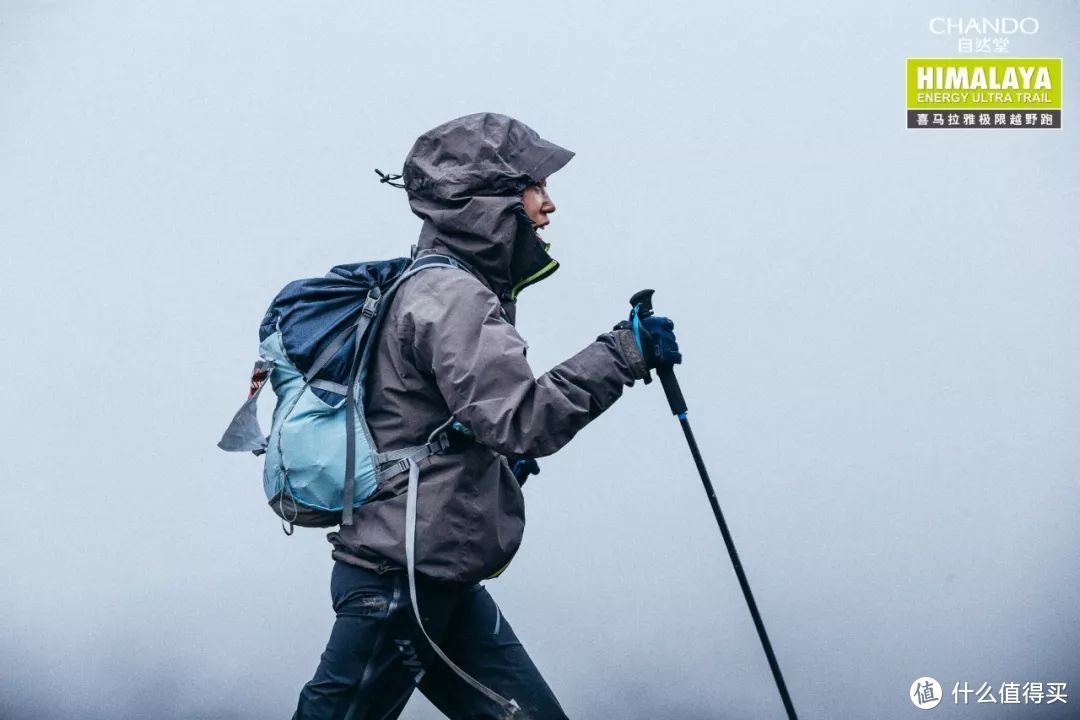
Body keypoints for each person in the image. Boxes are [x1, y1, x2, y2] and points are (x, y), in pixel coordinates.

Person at [293, 112, 681, 720]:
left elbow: (436, 424)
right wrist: (623, 354)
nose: (549, 206)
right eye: (537, 188)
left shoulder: (439, 286)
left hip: (434, 577)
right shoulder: (451, 296)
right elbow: (521, 420)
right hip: (400, 587)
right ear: (492, 202)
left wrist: (490, 461)